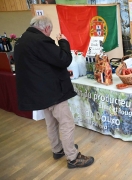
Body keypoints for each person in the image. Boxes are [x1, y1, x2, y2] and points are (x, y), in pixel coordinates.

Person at [14, 15, 94, 169]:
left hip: (39, 92)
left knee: (51, 122)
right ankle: (73, 157)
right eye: (49, 32)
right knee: (67, 123)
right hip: (53, 91)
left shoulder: (21, 41)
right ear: (45, 28)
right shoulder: (40, 41)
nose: (49, 34)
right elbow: (64, 59)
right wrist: (63, 42)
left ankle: (57, 149)